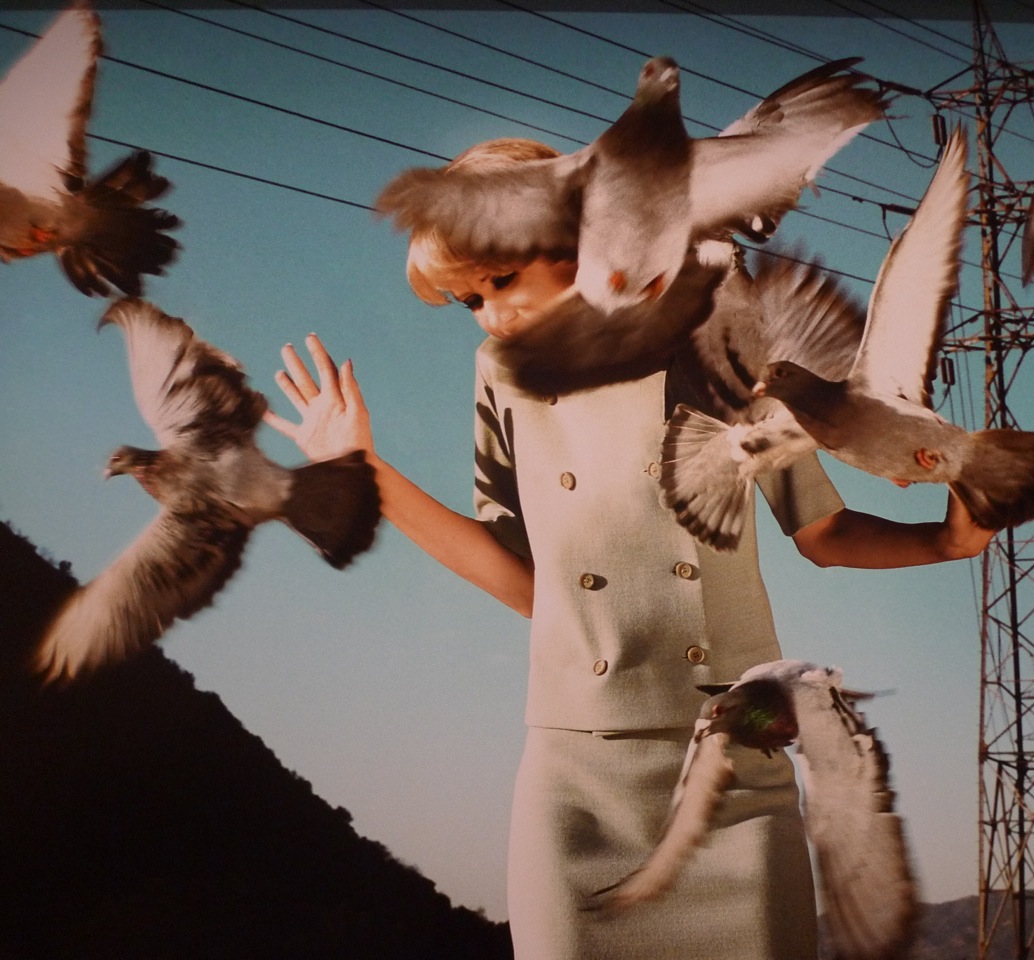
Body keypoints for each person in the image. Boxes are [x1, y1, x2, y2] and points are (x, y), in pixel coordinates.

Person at [265, 137, 994, 960]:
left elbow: (822, 533)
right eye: (469, 300)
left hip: (732, 762)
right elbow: (529, 584)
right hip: (576, 784)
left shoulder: (719, 334)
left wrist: (948, 540)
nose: (493, 316)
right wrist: (364, 472)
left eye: (501, 280)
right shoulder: (501, 371)